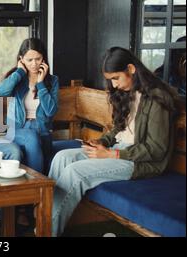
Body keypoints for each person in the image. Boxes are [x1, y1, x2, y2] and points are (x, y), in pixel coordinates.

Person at [48, 46, 178, 237]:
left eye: (116, 78)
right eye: (111, 80)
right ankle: (45, 223)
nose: (114, 85)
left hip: (140, 162)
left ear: (131, 69)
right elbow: (119, 128)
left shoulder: (157, 98)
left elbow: (156, 149)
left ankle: (46, 232)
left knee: (75, 172)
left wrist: (112, 154)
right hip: (118, 150)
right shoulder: (128, 92)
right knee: (62, 158)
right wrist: (102, 142)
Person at [0, 38, 59, 174]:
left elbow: (50, 112)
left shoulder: (52, 81)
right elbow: (0, 92)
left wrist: (41, 84)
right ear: (21, 59)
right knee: (31, 136)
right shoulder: (16, 78)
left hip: (42, 130)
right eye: (29, 60)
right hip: (17, 130)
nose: (34, 64)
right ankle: (37, 183)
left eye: (38, 59)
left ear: (44, 58)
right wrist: (19, 72)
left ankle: (35, 183)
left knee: (36, 138)